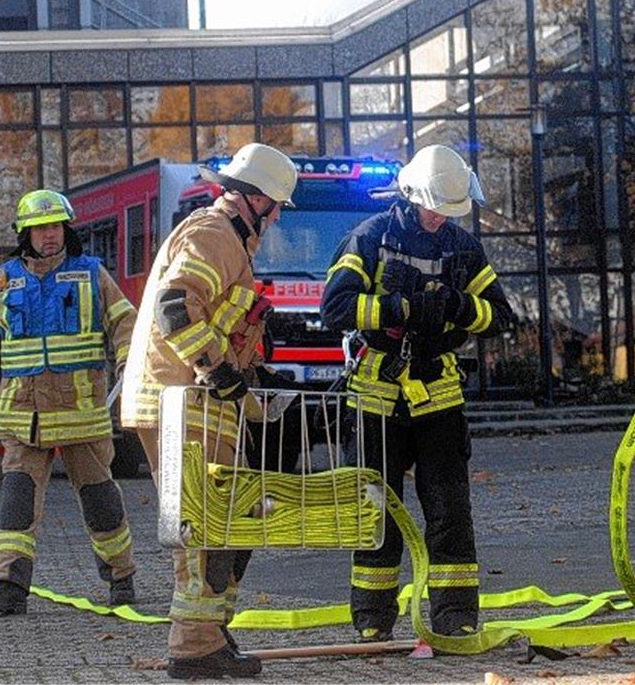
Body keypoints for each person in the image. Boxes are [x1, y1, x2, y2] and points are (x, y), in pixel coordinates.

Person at [320, 144, 513, 643]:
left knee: (449, 510)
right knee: (375, 511)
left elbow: (500, 316)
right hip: (375, 394)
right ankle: (372, 618)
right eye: (433, 208)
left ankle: (454, 617)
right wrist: (396, 308)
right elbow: (335, 308)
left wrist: (458, 305)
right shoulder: (369, 239)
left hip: (438, 394)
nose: (439, 218)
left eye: (448, 210)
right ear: (410, 196)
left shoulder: (463, 247)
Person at [121, 143, 298, 680]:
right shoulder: (214, 232)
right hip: (186, 402)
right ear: (258, 199)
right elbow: (176, 305)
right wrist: (215, 369)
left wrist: (250, 364)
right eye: (277, 207)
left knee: (228, 520)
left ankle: (210, 634)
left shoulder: (227, 239)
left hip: (199, 403)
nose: (276, 218)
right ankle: (196, 645)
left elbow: (209, 314)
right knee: (204, 525)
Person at [0, 189, 137, 615]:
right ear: (26, 234)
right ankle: (9, 586)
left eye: (54, 226)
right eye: (39, 228)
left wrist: (129, 369)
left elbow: (127, 324)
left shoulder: (91, 274)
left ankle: (122, 576)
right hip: (23, 417)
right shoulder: (1, 282)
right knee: (16, 502)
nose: (49, 235)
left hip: (81, 414)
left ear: (65, 229)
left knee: (100, 500)